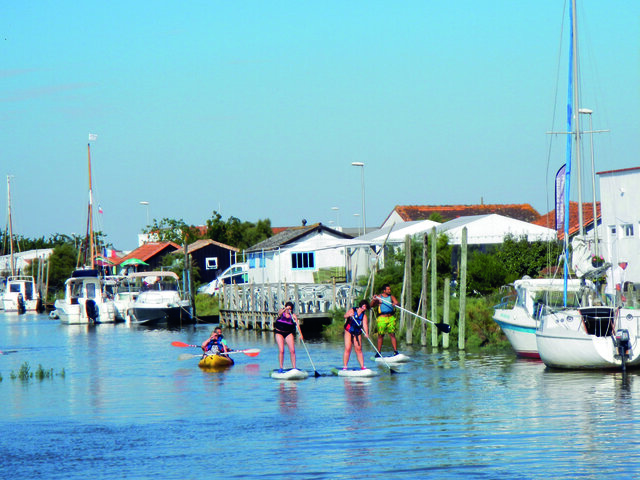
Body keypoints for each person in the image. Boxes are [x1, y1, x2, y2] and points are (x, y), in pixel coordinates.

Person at [371, 284, 400, 356]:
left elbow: (398, 303)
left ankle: (395, 351)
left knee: (392, 334)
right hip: (382, 318)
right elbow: (371, 305)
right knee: (381, 335)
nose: (389, 291)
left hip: (390, 317)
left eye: (390, 289)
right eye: (388, 289)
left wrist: (396, 303)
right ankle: (378, 352)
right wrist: (374, 300)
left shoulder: (391, 297)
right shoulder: (379, 297)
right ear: (384, 290)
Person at [343, 300, 370, 370]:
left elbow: (365, 325)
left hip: (357, 332)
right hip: (349, 330)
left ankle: (362, 366)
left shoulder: (364, 316)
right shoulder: (353, 310)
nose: (363, 309)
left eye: (365, 308)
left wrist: (366, 333)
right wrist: (349, 315)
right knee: (348, 348)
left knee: (358, 349)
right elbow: (345, 316)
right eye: (363, 307)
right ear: (361, 306)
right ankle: (345, 366)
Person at [275, 301, 300, 373]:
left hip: (288, 333)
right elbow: (279, 314)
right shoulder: (281, 312)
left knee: (292, 351)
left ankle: (294, 368)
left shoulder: (293, 316)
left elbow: (297, 325)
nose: (289, 311)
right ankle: (281, 368)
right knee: (282, 350)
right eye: (288, 309)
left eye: (290, 309)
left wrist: (300, 335)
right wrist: (285, 309)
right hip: (279, 333)